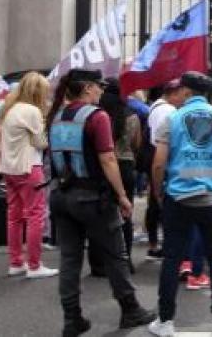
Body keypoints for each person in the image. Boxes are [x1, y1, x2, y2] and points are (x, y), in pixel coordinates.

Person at [47, 69, 155, 337]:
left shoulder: (56, 116)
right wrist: (122, 196)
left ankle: (72, 318)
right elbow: (107, 159)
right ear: (87, 88)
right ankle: (130, 309)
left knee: (70, 259)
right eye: (99, 86)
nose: (101, 91)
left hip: (62, 196)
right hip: (93, 197)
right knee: (115, 255)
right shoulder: (97, 116)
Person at [149, 72, 212, 336]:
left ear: (187, 92)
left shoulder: (172, 118)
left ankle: (165, 322)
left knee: (172, 258)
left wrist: (158, 191)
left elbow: (158, 163)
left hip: (179, 198)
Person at [0, 71, 57, 278]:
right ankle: (34, 265)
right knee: (35, 216)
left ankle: (16, 262)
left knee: (14, 217)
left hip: (9, 169)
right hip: (29, 167)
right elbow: (41, 143)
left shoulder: (10, 109)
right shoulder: (32, 111)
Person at [96, 79, 142, 272]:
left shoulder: (98, 114)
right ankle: (125, 258)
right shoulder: (132, 116)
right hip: (126, 165)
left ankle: (100, 262)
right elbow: (137, 144)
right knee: (125, 214)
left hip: (103, 165)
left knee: (101, 215)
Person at [144, 79, 185, 261]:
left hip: (154, 156)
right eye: (182, 95)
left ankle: (154, 243)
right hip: (162, 157)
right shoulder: (168, 111)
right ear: (173, 94)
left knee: (154, 201)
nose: (184, 99)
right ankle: (163, 245)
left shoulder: (156, 107)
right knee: (161, 201)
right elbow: (162, 141)